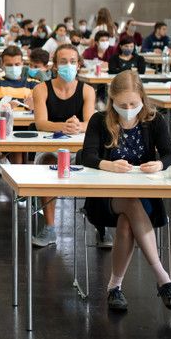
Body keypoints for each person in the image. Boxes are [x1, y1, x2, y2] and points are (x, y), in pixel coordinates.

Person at [79, 70, 171, 312]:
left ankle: (114, 287)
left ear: (142, 99)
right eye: (122, 104)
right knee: (130, 203)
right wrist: (108, 165)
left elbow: (170, 155)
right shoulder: (99, 120)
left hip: (144, 197)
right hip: (105, 198)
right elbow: (87, 156)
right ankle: (163, 278)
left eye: (134, 104)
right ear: (112, 101)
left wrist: (159, 164)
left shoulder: (154, 121)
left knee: (127, 220)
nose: (128, 109)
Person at [30, 44, 97, 247]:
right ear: (55, 66)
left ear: (79, 65)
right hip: (49, 146)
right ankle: (50, 227)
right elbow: (41, 123)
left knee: (99, 163)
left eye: (72, 61)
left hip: (79, 147)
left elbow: (90, 122)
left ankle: (101, 226)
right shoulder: (41, 89)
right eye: (63, 62)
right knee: (47, 163)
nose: (68, 65)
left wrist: (77, 126)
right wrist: (64, 126)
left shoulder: (87, 90)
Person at [0, 46, 37, 110]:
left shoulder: (33, 84)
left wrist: (5, 105)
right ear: (2, 64)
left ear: (22, 63)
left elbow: (41, 105)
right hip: (2, 116)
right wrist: (9, 106)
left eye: (17, 64)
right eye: (9, 65)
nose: (13, 68)